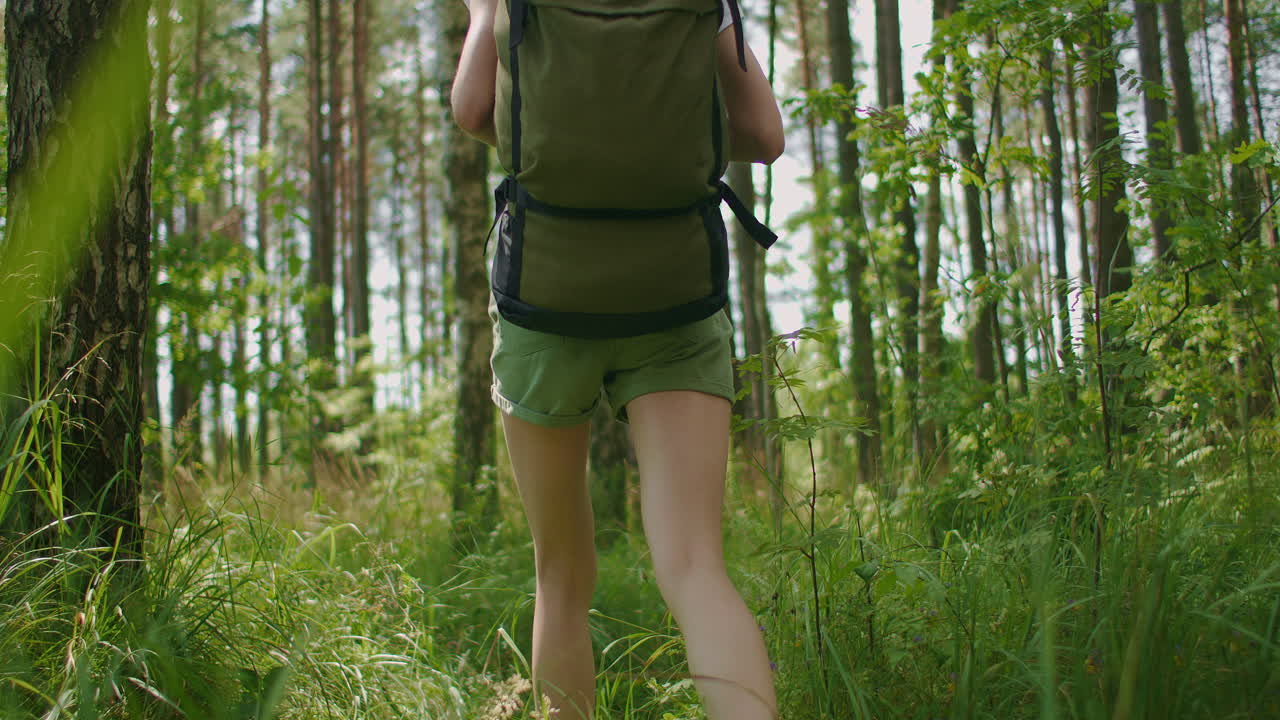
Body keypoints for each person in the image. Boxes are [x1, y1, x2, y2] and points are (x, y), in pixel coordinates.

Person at [451, 1, 785, 718]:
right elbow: (763, 134)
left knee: (561, 576)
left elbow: (473, 109)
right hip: (675, 291)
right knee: (695, 568)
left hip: (545, 291)